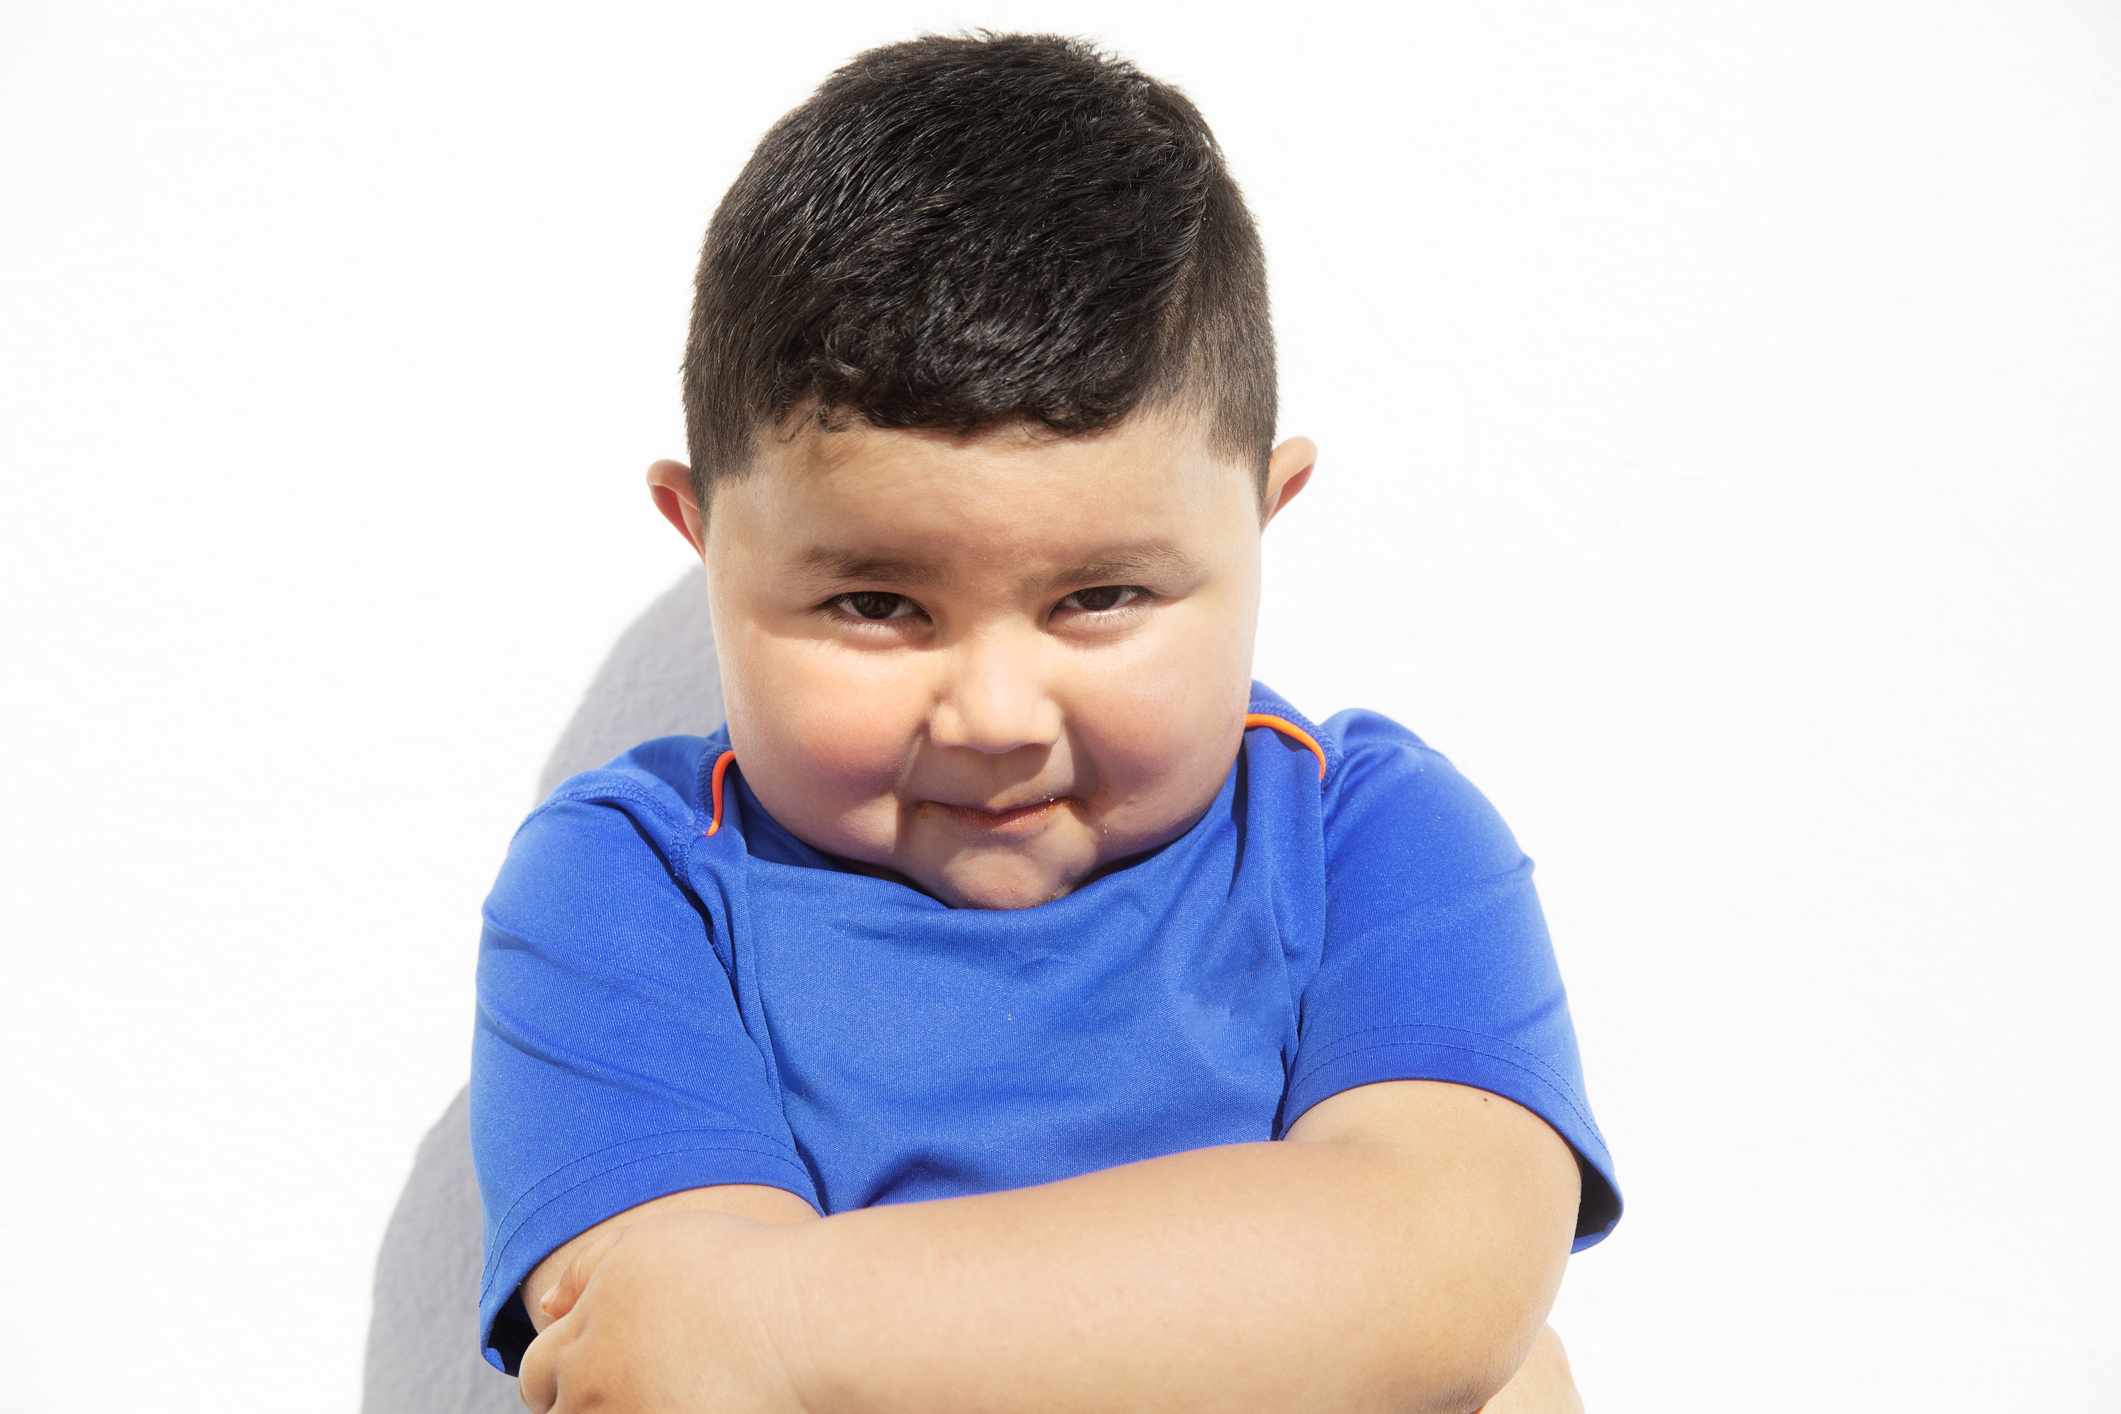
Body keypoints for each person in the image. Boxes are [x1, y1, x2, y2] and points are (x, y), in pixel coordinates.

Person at [470, 32, 1620, 1414]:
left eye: (1099, 596)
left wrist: (782, 1319)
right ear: (702, 535)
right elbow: (662, 1368)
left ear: (1262, 515)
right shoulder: (630, 886)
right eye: (878, 602)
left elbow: (1437, 1278)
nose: (997, 716)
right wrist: (1306, 1313)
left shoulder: (1363, 832)